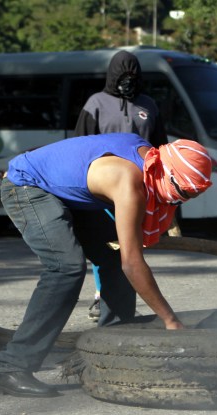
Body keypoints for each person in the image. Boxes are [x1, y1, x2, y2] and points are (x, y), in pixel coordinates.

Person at [0, 133, 212, 398]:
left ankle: (112, 352)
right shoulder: (127, 180)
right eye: (181, 194)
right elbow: (133, 263)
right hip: (27, 186)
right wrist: (170, 320)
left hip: (69, 194)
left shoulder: (151, 159)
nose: (179, 201)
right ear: (167, 172)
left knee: (113, 257)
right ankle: (11, 368)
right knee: (66, 267)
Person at [74, 50, 169, 322]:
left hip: (138, 188)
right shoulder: (96, 103)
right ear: (112, 75)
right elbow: (81, 143)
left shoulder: (148, 105)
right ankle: (103, 297)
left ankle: (121, 305)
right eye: (122, 74)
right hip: (102, 189)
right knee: (108, 246)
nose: (128, 79)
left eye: (133, 74)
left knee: (131, 247)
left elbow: (161, 147)